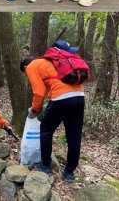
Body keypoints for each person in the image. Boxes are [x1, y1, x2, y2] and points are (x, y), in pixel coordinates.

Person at [23, 40, 85, 180]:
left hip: (61, 98)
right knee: (74, 135)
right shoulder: (60, 61)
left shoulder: (31, 66)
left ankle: (45, 166)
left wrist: (34, 109)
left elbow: (39, 92)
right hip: (80, 96)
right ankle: (69, 172)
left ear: (25, 67)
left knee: (45, 130)